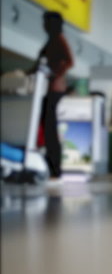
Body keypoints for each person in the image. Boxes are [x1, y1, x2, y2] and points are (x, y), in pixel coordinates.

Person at [27, 11, 74, 181]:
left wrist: (54, 74)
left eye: (45, 22)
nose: (43, 25)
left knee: (50, 128)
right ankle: (51, 164)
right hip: (48, 88)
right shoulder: (52, 40)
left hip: (54, 89)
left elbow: (70, 61)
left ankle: (55, 167)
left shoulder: (59, 39)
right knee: (47, 128)